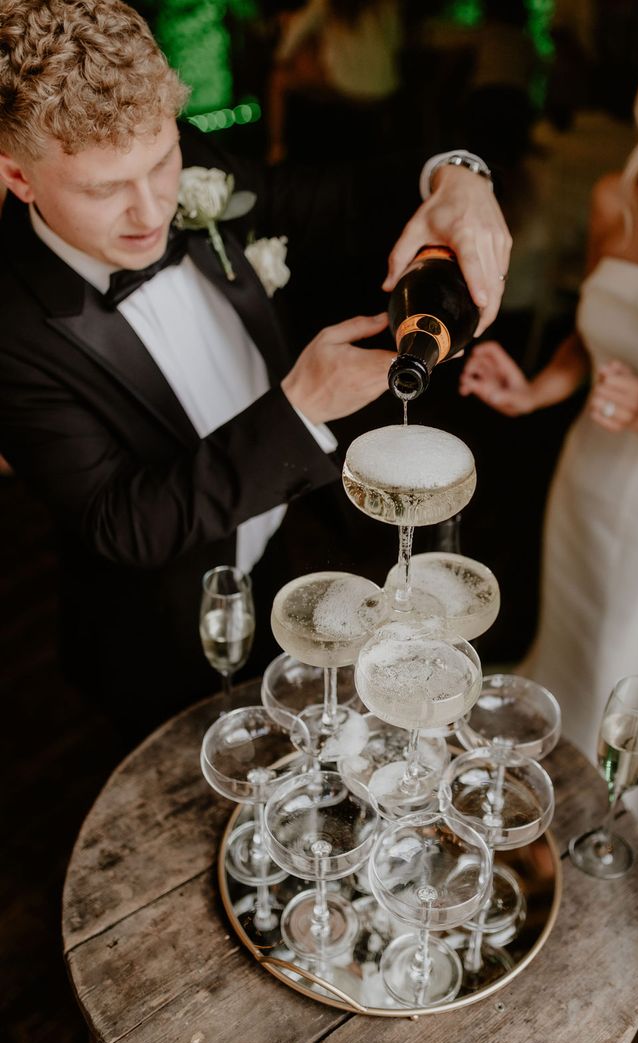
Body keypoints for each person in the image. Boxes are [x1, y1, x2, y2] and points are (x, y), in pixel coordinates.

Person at [0, 0, 510, 741]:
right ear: (18, 176)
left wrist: (459, 177)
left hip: (278, 548)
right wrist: (300, 406)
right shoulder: (10, 324)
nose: (152, 211)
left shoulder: (188, 169)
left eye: (163, 161)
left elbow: (327, 199)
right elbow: (123, 522)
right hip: (165, 629)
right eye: (105, 188)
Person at [459, 0, 638, 944]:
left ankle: (622, 902)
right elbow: (594, 325)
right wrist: (535, 391)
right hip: (584, 490)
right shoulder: (620, 195)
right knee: (564, 667)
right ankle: (549, 855)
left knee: (623, 698)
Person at [265, 0, 403, 165]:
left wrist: (283, 54)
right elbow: (396, 41)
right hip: (384, 86)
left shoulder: (326, 4)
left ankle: (276, 149)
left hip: (345, 86)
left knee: (278, 80)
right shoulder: (386, 5)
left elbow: (291, 41)